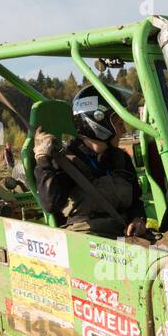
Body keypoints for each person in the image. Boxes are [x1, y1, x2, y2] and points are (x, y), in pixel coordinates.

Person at [33, 83, 146, 238]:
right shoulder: (66, 161)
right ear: (98, 121)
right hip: (85, 243)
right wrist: (43, 160)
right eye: (119, 123)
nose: (124, 130)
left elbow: (136, 202)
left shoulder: (121, 159)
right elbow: (50, 203)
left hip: (122, 236)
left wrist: (138, 219)